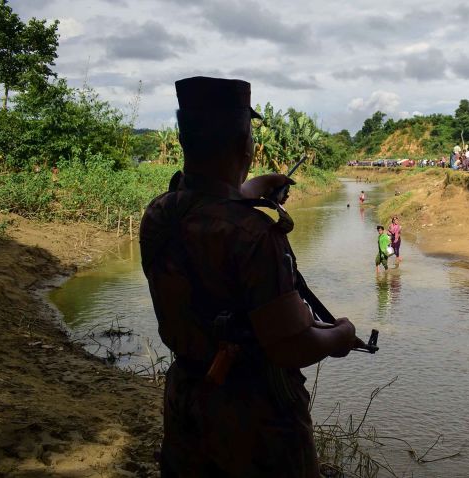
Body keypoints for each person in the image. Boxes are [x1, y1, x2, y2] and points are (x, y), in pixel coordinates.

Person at [140, 77, 361, 476]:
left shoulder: (159, 213)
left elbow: (201, 206)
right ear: (246, 144)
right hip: (255, 416)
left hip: (187, 397)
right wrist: (339, 336)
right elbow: (290, 346)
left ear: (185, 139)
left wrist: (246, 191)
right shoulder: (255, 236)